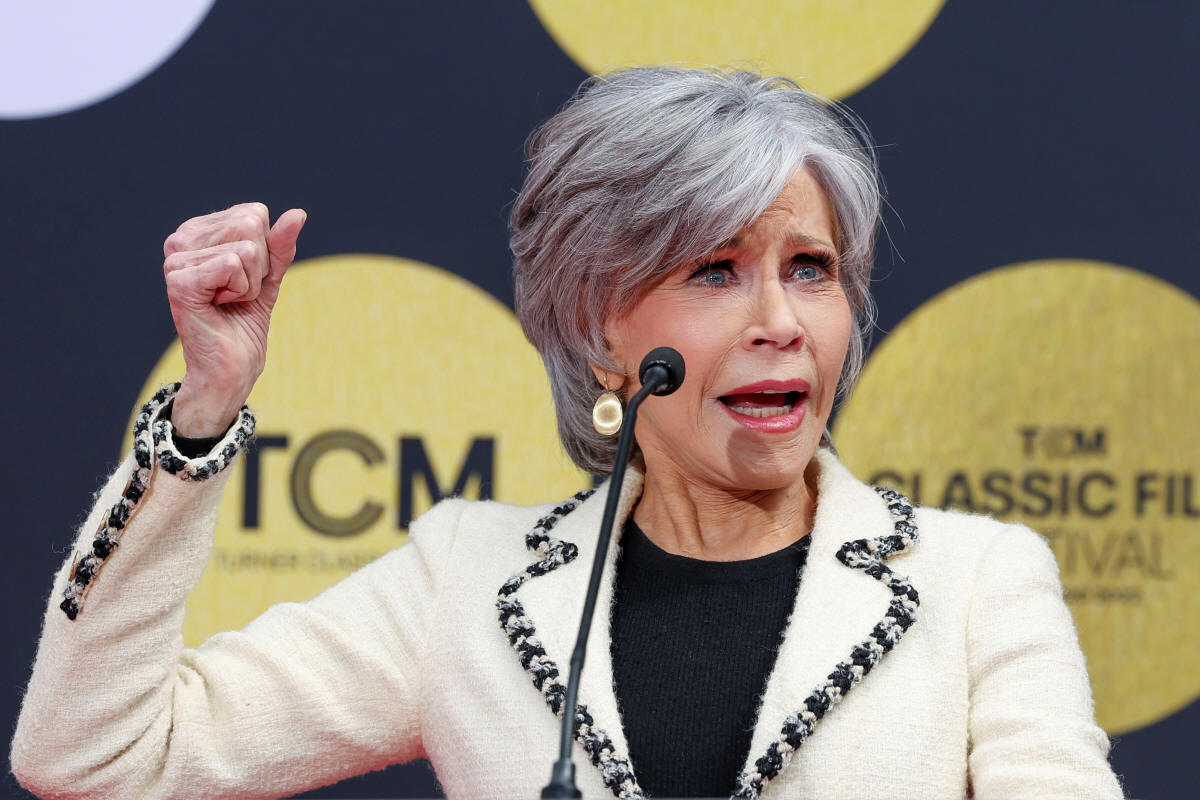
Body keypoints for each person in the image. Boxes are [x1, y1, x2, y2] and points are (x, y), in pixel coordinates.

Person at [11, 67, 1123, 800]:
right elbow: (98, 756)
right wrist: (204, 410)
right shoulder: (467, 578)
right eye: (716, 270)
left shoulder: (977, 583)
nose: (781, 322)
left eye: (811, 269)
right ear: (598, 328)